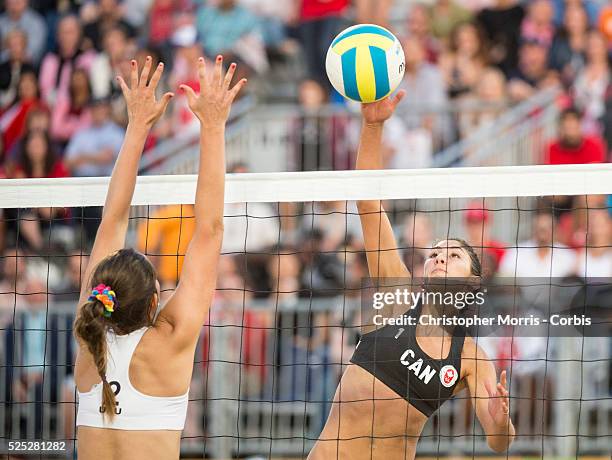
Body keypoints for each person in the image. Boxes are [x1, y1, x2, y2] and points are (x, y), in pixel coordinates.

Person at [308, 92, 515, 459]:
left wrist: (501, 423)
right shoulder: (397, 297)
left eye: (453, 255)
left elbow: (498, 443)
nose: (438, 258)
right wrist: (373, 126)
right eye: (434, 253)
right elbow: (368, 202)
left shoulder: (469, 355)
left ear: (472, 282)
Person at [73, 56, 246, 459]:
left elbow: (112, 218)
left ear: (104, 291)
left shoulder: (88, 335)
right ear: (154, 303)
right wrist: (214, 127)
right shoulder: (168, 341)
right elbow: (210, 230)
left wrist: (137, 125)